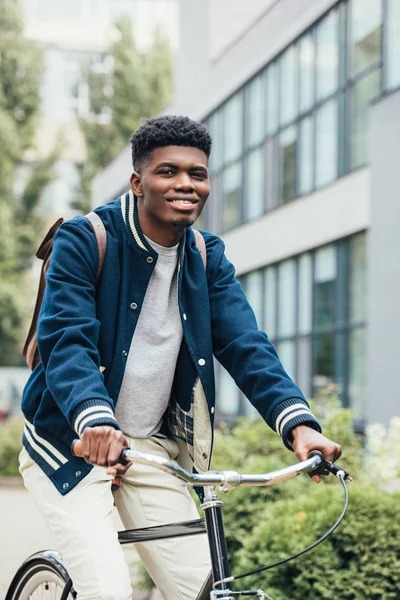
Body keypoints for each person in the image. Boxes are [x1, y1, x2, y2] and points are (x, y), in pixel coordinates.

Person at [19, 115, 342, 600]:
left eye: (198, 173)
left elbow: (246, 344)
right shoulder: (86, 240)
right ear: (137, 181)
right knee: (108, 590)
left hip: (148, 450)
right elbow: (67, 340)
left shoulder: (207, 258)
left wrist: (299, 425)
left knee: (205, 590)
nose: (186, 184)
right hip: (73, 442)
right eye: (168, 171)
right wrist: (94, 419)